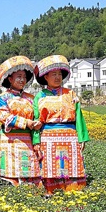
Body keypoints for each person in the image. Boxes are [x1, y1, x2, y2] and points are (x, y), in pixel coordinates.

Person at [32, 55, 89, 195]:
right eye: (54, 74)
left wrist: (82, 137)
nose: (57, 77)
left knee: (71, 166)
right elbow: (35, 120)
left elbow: (78, 117)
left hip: (70, 135)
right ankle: (51, 192)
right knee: (50, 166)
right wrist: (36, 141)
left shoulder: (71, 94)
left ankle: (72, 192)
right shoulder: (40, 96)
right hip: (48, 137)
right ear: (45, 77)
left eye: (59, 74)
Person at [0, 56, 42, 186]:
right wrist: (26, 123)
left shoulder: (31, 98)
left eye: (24, 77)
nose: (22, 80)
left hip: (27, 140)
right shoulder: (3, 97)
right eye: (19, 76)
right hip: (9, 141)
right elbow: (4, 116)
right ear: (10, 79)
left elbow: (36, 116)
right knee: (10, 174)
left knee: (29, 173)